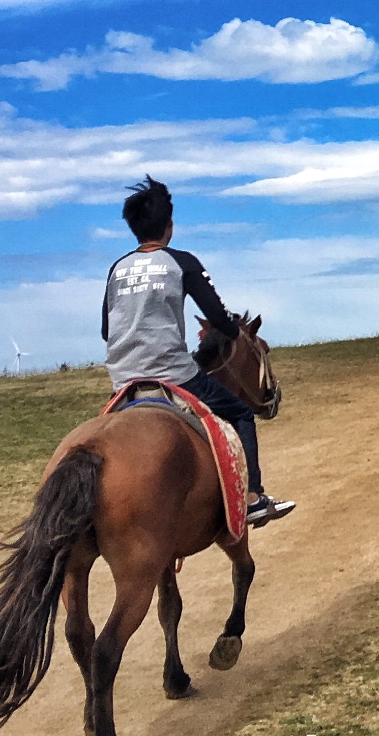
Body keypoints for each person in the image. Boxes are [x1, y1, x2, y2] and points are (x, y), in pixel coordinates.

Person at [102, 175, 294, 528]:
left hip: (123, 381)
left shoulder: (117, 269)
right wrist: (236, 331)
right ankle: (252, 499)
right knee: (241, 415)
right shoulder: (182, 262)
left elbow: (106, 331)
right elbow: (220, 319)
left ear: (134, 227)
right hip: (174, 374)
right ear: (169, 225)